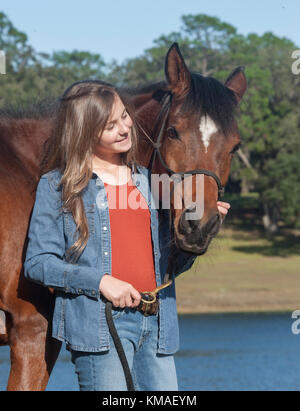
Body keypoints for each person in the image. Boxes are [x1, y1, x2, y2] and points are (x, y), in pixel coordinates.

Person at [24, 80, 231, 391]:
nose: (124, 128)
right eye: (110, 125)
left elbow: (172, 268)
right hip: (100, 327)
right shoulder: (57, 187)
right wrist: (101, 282)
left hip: (157, 324)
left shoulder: (155, 184)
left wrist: (200, 235)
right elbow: (38, 263)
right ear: (84, 131)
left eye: (124, 116)